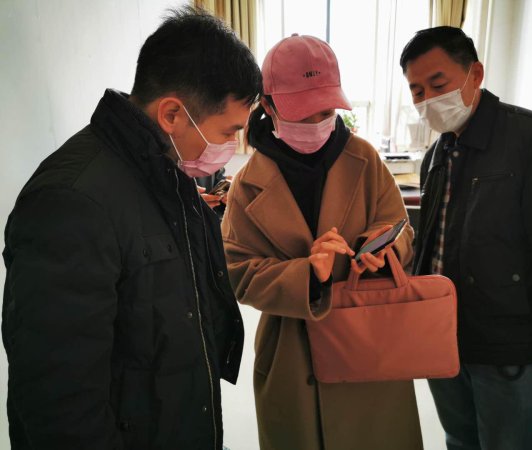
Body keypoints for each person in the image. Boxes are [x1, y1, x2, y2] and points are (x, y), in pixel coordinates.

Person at [2, 6, 261, 449]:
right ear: (172, 114)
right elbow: (60, 403)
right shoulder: (71, 201)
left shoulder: (165, 173)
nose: (230, 146)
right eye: (227, 131)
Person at [400, 26, 532, 449]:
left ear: (475, 74)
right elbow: (434, 246)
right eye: (417, 91)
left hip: (511, 352)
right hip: (445, 342)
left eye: (438, 84)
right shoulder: (437, 154)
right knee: (460, 440)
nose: (428, 99)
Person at [221, 34, 423, 450]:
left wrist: (384, 249)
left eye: (326, 111)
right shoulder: (247, 184)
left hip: (368, 341)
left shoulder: (365, 160)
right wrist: (306, 275)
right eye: (302, 113)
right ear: (268, 106)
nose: (316, 124)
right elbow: (236, 271)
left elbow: (402, 230)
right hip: (292, 354)